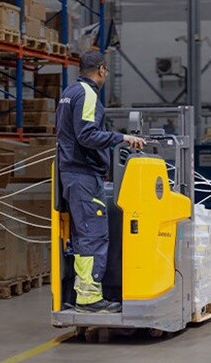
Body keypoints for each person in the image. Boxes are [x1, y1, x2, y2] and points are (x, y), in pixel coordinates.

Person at [55, 50, 145, 313]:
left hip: (72, 173)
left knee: (84, 236)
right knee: (94, 234)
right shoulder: (88, 94)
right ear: (103, 70)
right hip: (82, 175)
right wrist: (122, 139)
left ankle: (83, 293)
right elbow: (87, 135)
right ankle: (89, 298)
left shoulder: (69, 93)